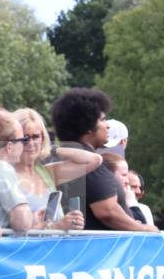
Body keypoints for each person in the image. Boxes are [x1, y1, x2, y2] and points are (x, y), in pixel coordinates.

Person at [50, 88, 157, 232]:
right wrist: (146, 230)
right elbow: (107, 212)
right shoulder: (86, 164)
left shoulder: (66, 161)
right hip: (98, 252)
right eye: (102, 119)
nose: (107, 125)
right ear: (87, 126)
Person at [13, 107, 95, 230]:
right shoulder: (6, 174)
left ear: (43, 138)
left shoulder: (46, 172)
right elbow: (15, 229)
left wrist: (52, 149)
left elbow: (94, 160)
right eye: (25, 138)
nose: (30, 143)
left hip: (54, 247)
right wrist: (59, 226)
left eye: (35, 136)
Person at [101, 152, 146, 224]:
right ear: (109, 175)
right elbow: (141, 225)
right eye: (124, 175)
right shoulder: (105, 202)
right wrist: (131, 202)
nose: (127, 181)